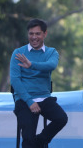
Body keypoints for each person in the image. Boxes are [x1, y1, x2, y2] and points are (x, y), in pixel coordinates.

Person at [10, 18, 68, 148]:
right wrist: (30, 101)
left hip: (45, 97)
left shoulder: (51, 52)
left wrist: (31, 65)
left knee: (61, 118)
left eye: (38, 33)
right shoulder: (18, 53)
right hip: (24, 100)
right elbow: (15, 81)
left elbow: (51, 65)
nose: (34, 37)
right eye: (31, 34)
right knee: (28, 138)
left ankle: (40, 141)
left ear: (45, 34)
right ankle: (34, 142)